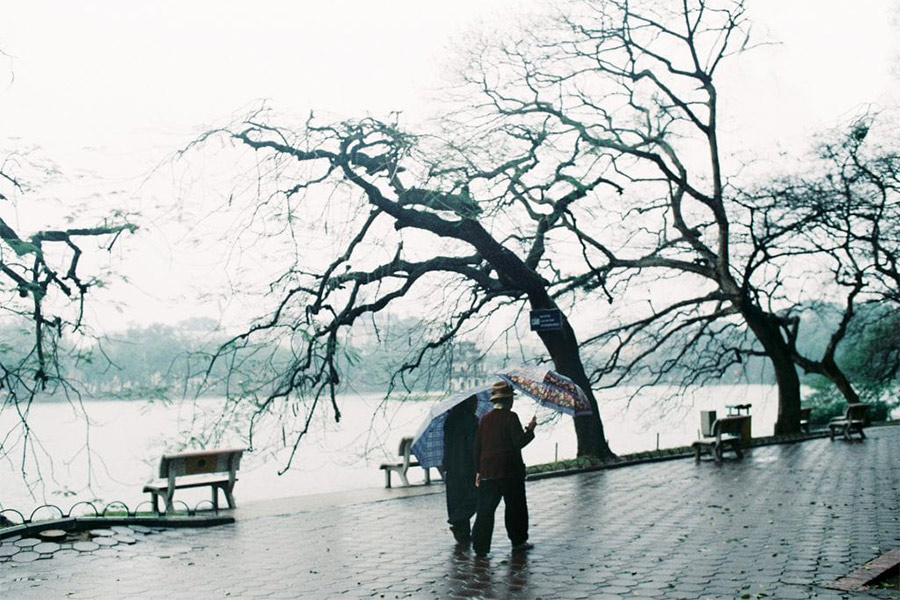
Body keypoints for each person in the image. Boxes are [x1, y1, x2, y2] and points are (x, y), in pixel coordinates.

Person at [471, 380, 537, 557]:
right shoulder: (511, 417)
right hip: (510, 471)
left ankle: (480, 547)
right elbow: (518, 443)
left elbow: (477, 447)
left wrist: (478, 471)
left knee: (485, 510)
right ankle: (518, 541)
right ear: (509, 400)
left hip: (488, 471)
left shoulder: (484, 419)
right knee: (515, 507)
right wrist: (530, 430)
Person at [442, 395, 479, 545]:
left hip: (451, 465)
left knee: (457, 498)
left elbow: (446, 444)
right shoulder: (471, 421)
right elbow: (474, 446)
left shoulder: (449, 420)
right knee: (474, 496)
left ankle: (463, 533)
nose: (476, 405)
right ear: (469, 403)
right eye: (474, 402)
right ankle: (457, 520)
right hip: (467, 465)